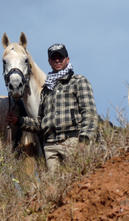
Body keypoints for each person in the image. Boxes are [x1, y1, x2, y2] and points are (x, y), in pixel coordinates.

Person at [6, 44, 98, 172]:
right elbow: (40, 123)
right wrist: (19, 121)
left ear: (67, 59)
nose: (57, 61)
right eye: (53, 58)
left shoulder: (79, 82)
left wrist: (84, 140)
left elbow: (89, 114)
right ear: (49, 62)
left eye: (60, 57)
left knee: (78, 180)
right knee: (55, 187)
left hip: (71, 141)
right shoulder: (46, 89)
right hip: (50, 147)